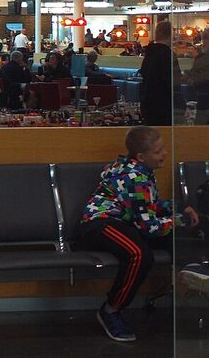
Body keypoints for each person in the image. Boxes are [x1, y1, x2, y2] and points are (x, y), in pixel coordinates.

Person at [81, 126, 198, 342]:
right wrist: (179, 219)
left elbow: (148, 205)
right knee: (139, 254)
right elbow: (149, 227)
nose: (164, 154)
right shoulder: (134, 177)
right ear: (141, 156)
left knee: (180, 238)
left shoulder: (142, 170)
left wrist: (176, 208)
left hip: (126, 222)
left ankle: (192, 286)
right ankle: (111, 310)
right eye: (158, 151)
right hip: (101, 224)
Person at [139, 20, 180, 126]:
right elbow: (174, 81)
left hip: (148, 104)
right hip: (164, 105)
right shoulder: (168, 55)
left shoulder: (149, 54)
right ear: (169, 35)